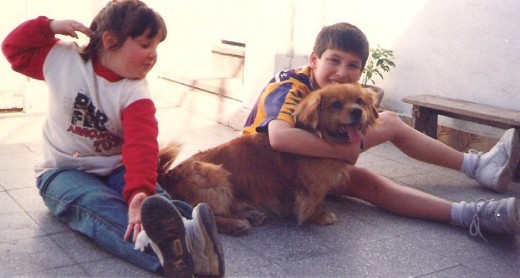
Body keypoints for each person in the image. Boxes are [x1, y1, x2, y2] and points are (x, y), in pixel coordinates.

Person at [1, 1, 224, 277]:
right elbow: (13, 48)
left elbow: (142, 144)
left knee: (152, 202)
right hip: (62, 171)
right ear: (110, 41)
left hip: (117, 166)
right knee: (95, 204)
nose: (153, 55)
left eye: (156, 47)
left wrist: (140, 192)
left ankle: (190, 230)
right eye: (145, 45)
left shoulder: (134, 89)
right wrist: (48, 26)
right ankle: (175, 255)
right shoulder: (61, 58)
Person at [243, 22, 520, 241]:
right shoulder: (289, 84)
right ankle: (478, 167)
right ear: (314, 59)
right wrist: (346, 149)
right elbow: (278, 138)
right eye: (334, 61)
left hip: (308, 169)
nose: (342, 72)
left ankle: (470, 215)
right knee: (390, 123)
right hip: (269, 171)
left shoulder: (339, 92)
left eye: (353, 66)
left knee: (368, 180)